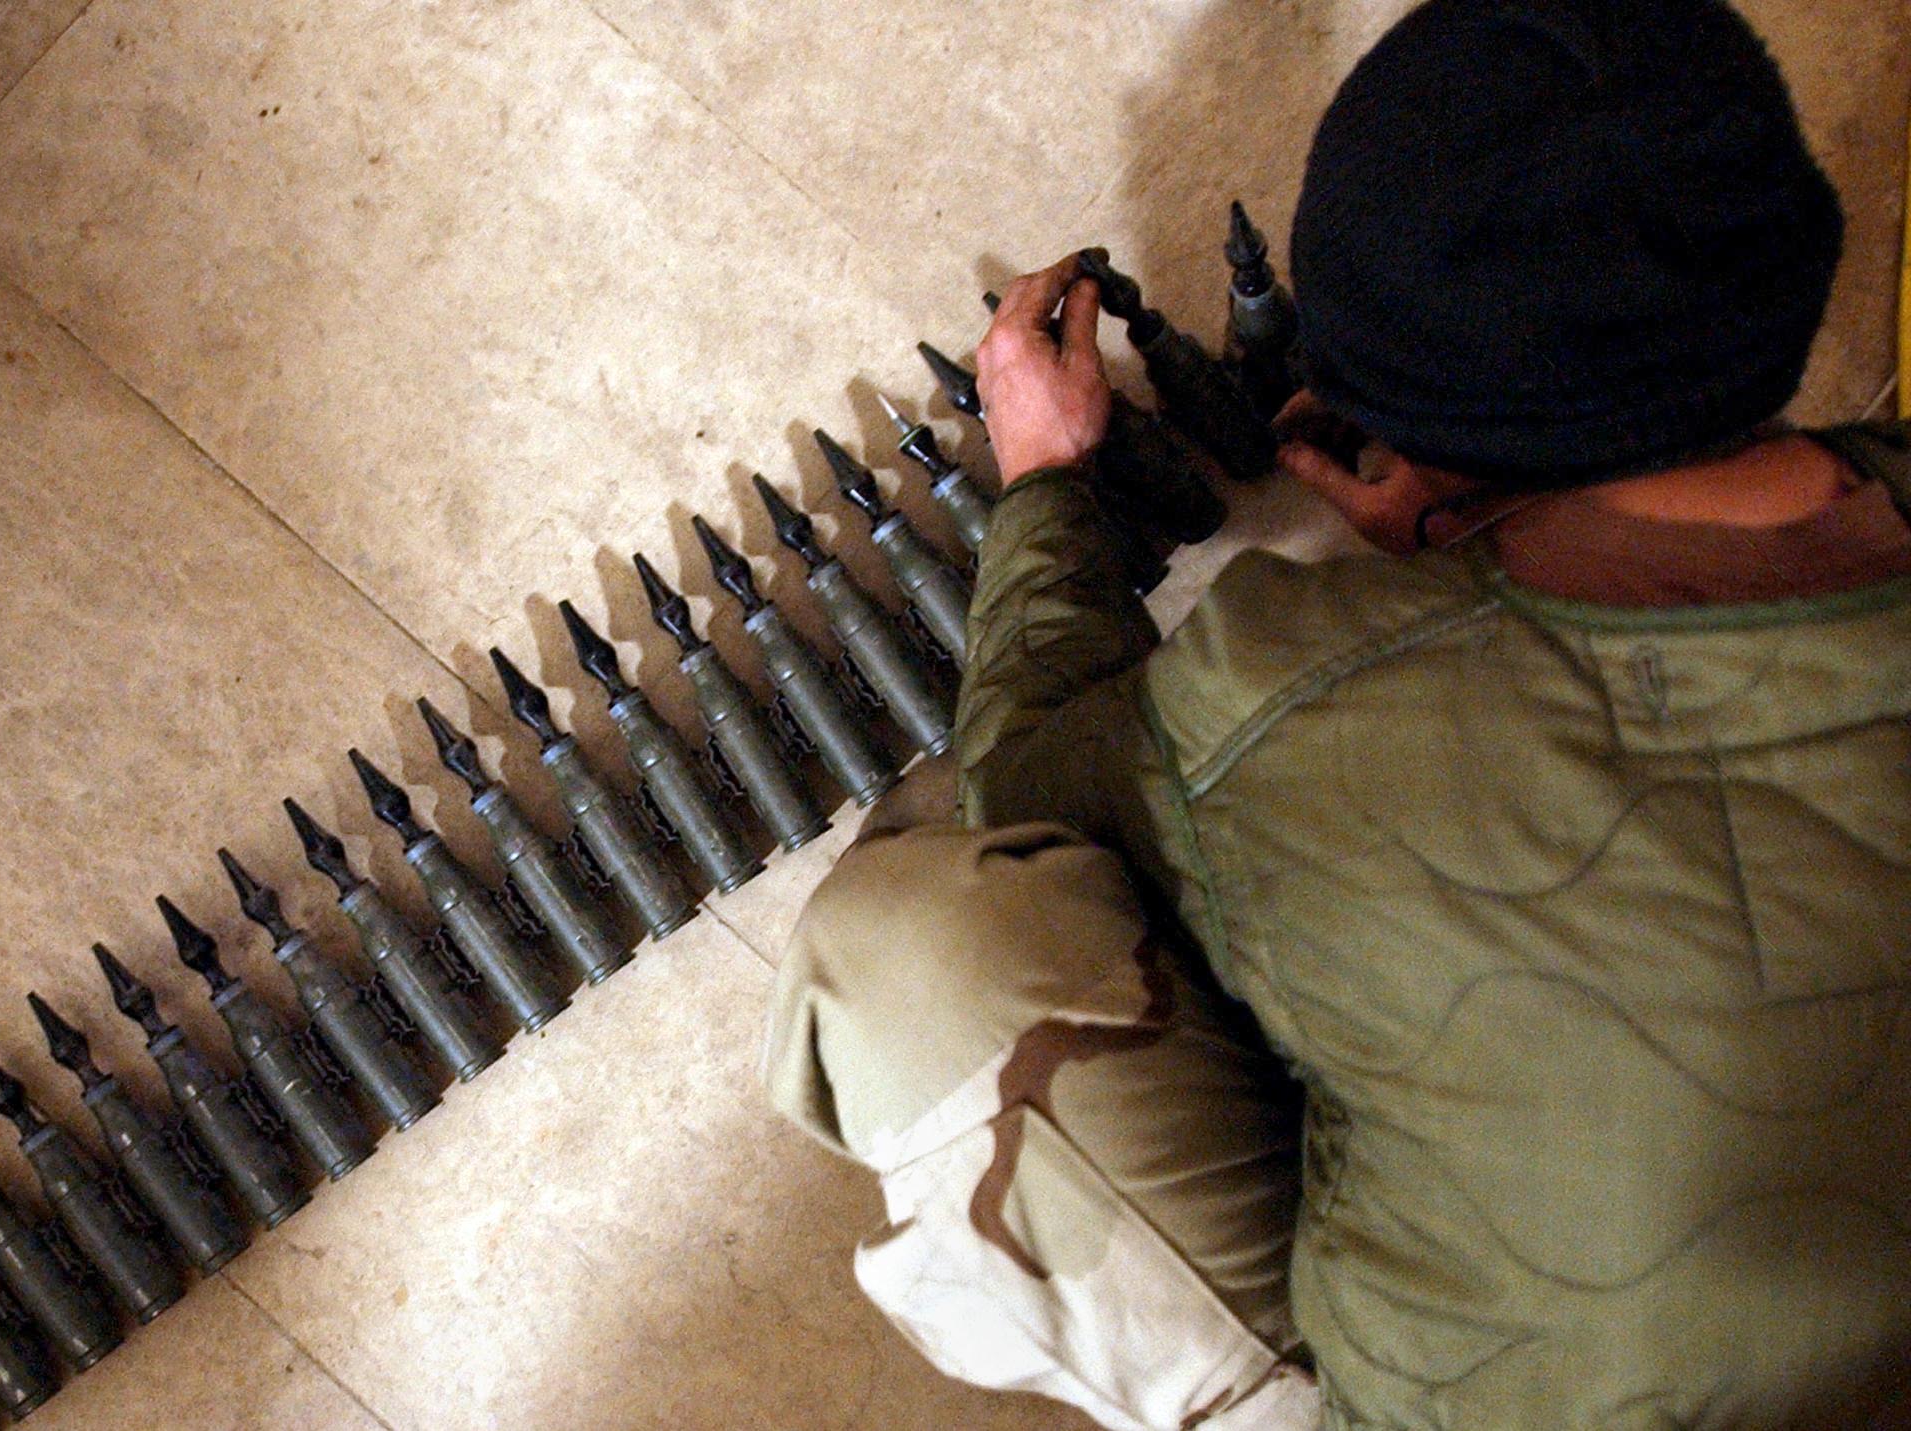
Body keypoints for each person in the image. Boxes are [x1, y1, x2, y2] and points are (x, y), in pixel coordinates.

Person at [764, 0, 1911, 1426]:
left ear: (1394, 430)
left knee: (913, 945)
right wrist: (1483, 506)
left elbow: (1026, 777)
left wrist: (1051, 486)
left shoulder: (1282, 706)